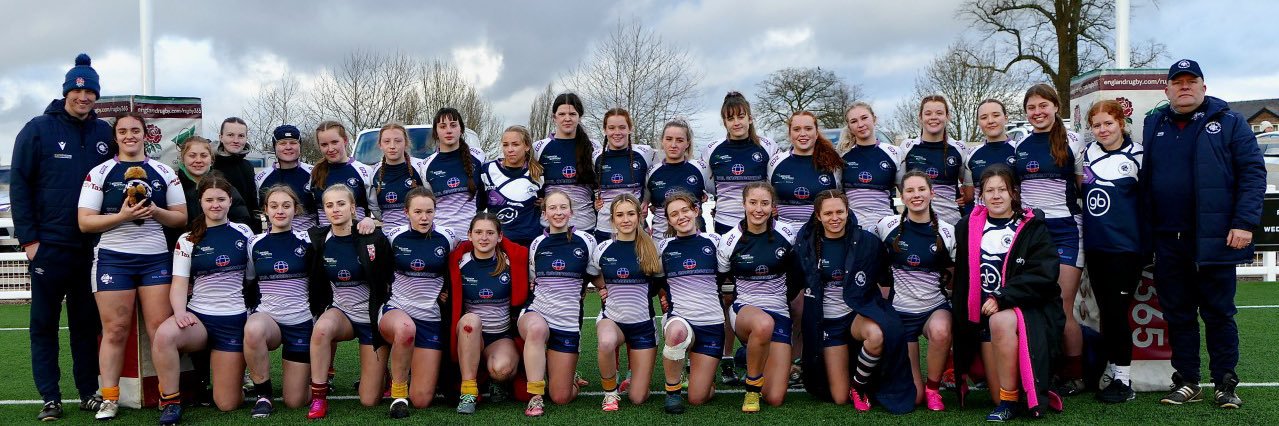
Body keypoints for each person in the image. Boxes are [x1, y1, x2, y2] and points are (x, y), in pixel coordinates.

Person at [1142, 59, 1264, 408]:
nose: (1184, 87)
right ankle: (1188, 381)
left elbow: (1253, 173)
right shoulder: (1155, 123)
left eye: (1191, 81)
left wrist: (1244, 223)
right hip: (1168, 239)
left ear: (1203, 87)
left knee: (1218, 314)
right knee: (1178, 314)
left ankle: (1225, 383)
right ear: (1166, 89)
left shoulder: (1230, 121)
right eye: (1177, 82)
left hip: (1214, 238)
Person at [10, 53, 115, 420]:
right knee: (44, 324)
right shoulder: (38, 129)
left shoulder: (105, 133)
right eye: (77, 91)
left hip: (90, 247)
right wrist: (30, 241)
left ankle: (88, 391)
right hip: (49, 248)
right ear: (67, 91)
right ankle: (50, 397)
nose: (83, 98)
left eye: (90, 93)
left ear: (96, 97)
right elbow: (19, 185)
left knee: (87, 325)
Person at [77, 112, 188, 420]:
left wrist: (155, 210)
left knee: (159, 332)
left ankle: (170, 399)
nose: (129, 136)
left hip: (155, 257)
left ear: (145, 135)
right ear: (116, 137)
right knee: (114, 330)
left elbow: (180, 217)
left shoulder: (164, 171)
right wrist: (122, 217)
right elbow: (85, 222)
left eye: (135, 130)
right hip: (113, 257)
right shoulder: (100, 172)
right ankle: (109, 399)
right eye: (123, 131)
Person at [952, 165, 1064, 421]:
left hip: (1025, 308)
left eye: (1002, 189)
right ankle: (1005, 394)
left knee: (1000, 320)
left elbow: (1044, 275)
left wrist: (1002, 297)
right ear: (981, 195)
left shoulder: (1033, 227)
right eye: (989, 190)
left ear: (1014, 193)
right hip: (981, 315)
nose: (996, 196)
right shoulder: (967, 227)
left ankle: (1009, 402)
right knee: (993, 393)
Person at [795, 190, 914, 414]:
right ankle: (849, 387)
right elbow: (794, 283)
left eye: (840, 211)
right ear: (818, 216)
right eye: (828, 213)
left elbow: (885, 277)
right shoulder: (806, 244)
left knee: (877, 334)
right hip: (828, 323)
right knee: (839, 398)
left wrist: (881, 309)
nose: (835, 218)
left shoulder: (866, 242)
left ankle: (859, 385)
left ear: (848, 211)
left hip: (855, 315)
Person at [150, 176, 255, 424]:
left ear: (230, 201)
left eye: (221, 199)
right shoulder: (187, 239)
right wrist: (179, 312)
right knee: (164, 335)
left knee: (227, 404)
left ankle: (235, 378)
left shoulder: (245, 232)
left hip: (233, 320)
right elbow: (178, 284)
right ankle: (171, 401)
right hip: (199, 319)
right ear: (201, 203)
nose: (215, 205)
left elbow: (251, 279)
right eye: (209, 200)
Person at [1013, 84, 1087, 393]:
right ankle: (1046, 369)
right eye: (1031, 108)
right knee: (1036, 304)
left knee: (1063, 304)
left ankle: (1076, 374)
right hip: (1034, 234)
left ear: (1056, 106)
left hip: (1068, 231)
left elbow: (1083, 186)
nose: (1037, 112)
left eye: (1043, 105)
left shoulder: (1074, 140)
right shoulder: (1020, 143)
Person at [304, 185, 394, 419]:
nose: (335, 209)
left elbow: (390, 274)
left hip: (371, 318)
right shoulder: (318, 239)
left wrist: (371, 221)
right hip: (342, 313)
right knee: (321, 329)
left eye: (341, 204)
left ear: (353, 207)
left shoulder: (372, 237)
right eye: (329, 205)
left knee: (369, 400)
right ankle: (319, 398)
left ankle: (386, 374)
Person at [873, 172, 956, 411]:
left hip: (934, 307)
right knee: (913, 398)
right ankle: (917, 389)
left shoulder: (948, 232)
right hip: (901, 312)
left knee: (941, 331)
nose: (916, 195)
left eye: (922, 189)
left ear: (932, 193)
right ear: (902, 195)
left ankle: (933, 389)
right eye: (910, 190)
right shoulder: (885, 226)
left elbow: (958, 273)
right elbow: (869, 259)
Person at [1081, 100, 1145, 404]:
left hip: (1126, 249)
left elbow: (1151, 204)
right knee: (1106, 312)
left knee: (1118, 313)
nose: (1102, 130)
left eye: (1108, 123)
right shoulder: (1087, 155)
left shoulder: (1138, 156)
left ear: (1121, 123)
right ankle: (1110, 371)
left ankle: (1124, 380)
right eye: (1096, 125)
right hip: (1096, 247)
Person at [716, 182, 800, 412]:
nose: (758, 209)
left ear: (773, 206)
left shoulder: (787, 233)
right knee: (763, 324)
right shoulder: (730, 240)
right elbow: (722, 280)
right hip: (745, 310)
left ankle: (749, 355)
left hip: (779, 312)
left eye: (765, 203)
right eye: (753, 203)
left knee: (774, 397)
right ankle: (751, 391)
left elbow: (796, 273)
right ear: (743, 204)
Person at [378, 187, 460, 417]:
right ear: (406, 212)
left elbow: (458, 265)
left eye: (429, 211)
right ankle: (397, 395)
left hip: (430, 317)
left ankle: (410, 368)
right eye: (418, 212)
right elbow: (380, 271)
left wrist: (447, 290)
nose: (424, 217)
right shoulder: (393, 236)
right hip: (397, 310)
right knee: (405, 330)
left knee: (422, 400)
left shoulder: (448, 237)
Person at [520, 191, 599, 415]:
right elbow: (533, 281)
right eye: (552, 208)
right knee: (536, 329)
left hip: (567, 322)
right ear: (544, 213)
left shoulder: (586, 240)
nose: (558, 212)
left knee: (561, 397)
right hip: (537, 312)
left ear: (571, 211)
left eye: (563, 207)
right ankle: (535, 396)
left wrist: (603, 289)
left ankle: (566, 375)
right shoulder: (537, 243)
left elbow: (595, 274)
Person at [242, 185, 314, 418]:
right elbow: (250, 281)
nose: (279, 211)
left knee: (295, 402)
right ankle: (263, 395)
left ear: (296, 210)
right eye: (274, 206)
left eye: (286, 206)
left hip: (301, 322)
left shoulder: (309, 240)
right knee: (253, 328)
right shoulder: (255, 243)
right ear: (266, 210)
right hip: (269, 319)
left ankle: (310, 379)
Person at [447, 213, 530, 414]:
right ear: (469, 235)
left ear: (500, 236)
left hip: (500, 336)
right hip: (471, 334)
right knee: (471, 321)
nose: (484, 238)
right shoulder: (458, 262)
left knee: (502, 370)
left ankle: (496, 381)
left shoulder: (512, 262)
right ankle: (468, 391)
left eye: (490, 233)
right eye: (478, 232)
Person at [655, 191, 724, 414]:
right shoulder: (664, 247)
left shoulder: (715, 242)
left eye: (685, 210)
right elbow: (655, 282)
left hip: (712, 324)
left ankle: (701, 377)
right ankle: (672, 392)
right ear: (668, 220)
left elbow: (727, 275)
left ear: (696, 211)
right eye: (674, 214)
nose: (681, 217)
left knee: (697, 398)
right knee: (676, 334)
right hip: (681, 319)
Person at [592, 194, 662, 411]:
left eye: (631, 214)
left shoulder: (653, 247)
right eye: (620, 215)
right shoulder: (603, 248)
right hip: (613, 321)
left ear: (640, 216)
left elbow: (661, 282)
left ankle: (638, 381)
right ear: (612, 219)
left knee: (638, 398)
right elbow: (592, 273)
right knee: (605, 342)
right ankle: (610, 393)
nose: (626, 219)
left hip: (643, 325)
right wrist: (602, 287)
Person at [702, 91, 779, 234]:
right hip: (725, 222)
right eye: (730, 118)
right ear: (724, 122)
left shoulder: (768, 146)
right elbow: (709, 185)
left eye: (741, 117)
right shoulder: (711, 149)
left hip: (760, 220)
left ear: (750, 119)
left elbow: (775, 183)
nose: (736, 122)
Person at [533, 93, 600, 232]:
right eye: (562, 114)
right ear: (554, 117)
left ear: (579, 117)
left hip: (585, 226)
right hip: (550, 227)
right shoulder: (539, 148)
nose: (567, 118)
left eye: (572, 114)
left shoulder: (594, 147)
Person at [900, 95, 970, 225]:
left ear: (947, 117)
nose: (933, 117)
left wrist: (964, 196)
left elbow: (968, 187)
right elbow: (902, 185)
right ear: (920, 117)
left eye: (939, 113)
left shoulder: (959, 148)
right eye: (928, 113)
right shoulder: (907, 147)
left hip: (952, 222)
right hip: (916, 223)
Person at [769, 111, 842, 228]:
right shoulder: (775, 162)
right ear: (789, 134)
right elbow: (766, 194)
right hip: (783, 234)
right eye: (797, 129)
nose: (803, 134)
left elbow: (842, 198)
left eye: (808, 129)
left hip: (821, 233)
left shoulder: (832, 163)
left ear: (817, 133)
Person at [421, 108, 487, 238]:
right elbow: (429, 203)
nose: (448, 130)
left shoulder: (478, 156)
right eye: (442, 126)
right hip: (440, 237)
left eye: (453, 125)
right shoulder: (426, 165)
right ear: (436, 132)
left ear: (461, 129)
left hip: (473, 238)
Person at [592, 108, 655, 241]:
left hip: (636, 227)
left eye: (622, 127)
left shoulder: (645, 153)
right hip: (605, 228)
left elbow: (656, 178)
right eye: (611, 128)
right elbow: (590, 186)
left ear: (630, 129)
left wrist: (647, 200)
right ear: (605, 130)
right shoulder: (596, 156)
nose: (617, 132)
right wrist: (595, 200)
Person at [838, 102, 902, 231]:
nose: (860, 125)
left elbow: (907, 192)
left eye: (864, 118)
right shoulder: (842, 157)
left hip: (886, 226)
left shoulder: (894, 153)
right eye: (854, 121)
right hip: (852, 229)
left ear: (874, 119)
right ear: (849, 127)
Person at [645, 119, 713, 236]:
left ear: (687, 143)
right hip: (661, 239)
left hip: (696, 240)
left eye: (680, 140)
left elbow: (721, 194)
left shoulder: (701, 168)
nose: (673, 145)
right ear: (662, 141)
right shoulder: (652, 172)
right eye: (669, 139)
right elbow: (642, 205)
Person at [309, 121, 379, 232]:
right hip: (326, 241)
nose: (330, 149)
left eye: (334, 142)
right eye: (324, 145)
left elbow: (377, 210)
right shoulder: (314, 172)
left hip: (356, 238)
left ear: (345, 140)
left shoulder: (364, 171)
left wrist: (370, 220)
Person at [482, 125, 544, 247]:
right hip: (497, 241)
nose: (510, 149)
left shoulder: (538, 172)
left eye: (515, 144)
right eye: (505, 145)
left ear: (526, 146)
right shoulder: (487, 170)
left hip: (528, 241)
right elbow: (479, 206)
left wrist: (544, 203)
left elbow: (546, 202)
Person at [176, 136, 253, 230]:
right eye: (192, 155)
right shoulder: (174, 187)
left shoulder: (225, 187)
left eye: (204, 155)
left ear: (211, 160)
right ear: (183, 159)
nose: (198, 160)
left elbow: (241, 220)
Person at [255, 124, 317, 232]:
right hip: (275, 240)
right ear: (274, 146)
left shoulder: (315, 173)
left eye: (293, 142)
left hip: (308, 240)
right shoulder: (261, 178)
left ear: (300, 145)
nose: (288, 147)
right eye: (282, 143)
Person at [369, 123, 426, 232]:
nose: (392, 146)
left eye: (398, 141)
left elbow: (432, 200)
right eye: (386, 141)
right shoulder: (374, 172)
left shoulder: (420, 167)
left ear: (406, 143)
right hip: (388, 235)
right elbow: (374, 207)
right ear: (380, 145)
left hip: (418, 234)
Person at [965, 99, 1018, 212]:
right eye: (984, 117)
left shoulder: (1019, 150)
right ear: (978, 122)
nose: (990, 121)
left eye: (996, 115)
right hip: (981, 223)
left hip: (1016, 221)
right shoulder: (971, 155)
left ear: (1006, 118)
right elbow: (968, 194)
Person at [213, 117, 262, 233]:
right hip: (219, 230)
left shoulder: (248, 166)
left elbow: (253, 202)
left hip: (247, 230)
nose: (236, 140)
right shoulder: (211, 165)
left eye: (241, 136)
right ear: (221, 137)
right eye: (230, 135)